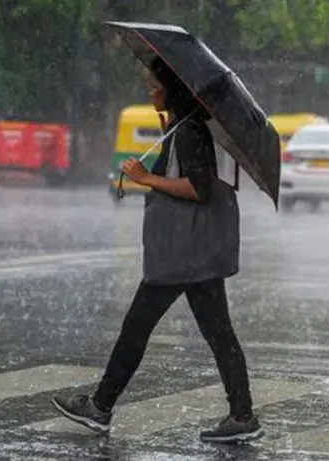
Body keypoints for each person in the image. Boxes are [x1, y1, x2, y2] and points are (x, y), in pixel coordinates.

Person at [51, 58, 262, 444]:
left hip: (183, 252)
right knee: (216, 334)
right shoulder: (183, 128)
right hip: (192, 252)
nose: (150, 94)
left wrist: (146, 178)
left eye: (154, 88)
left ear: (173, 90)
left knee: (138, 327)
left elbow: (198, 188)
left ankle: (100, 407)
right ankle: (242, 414)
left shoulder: (189, 132)